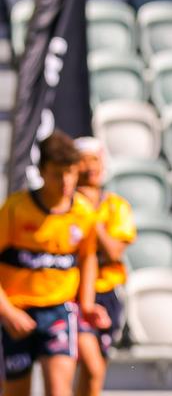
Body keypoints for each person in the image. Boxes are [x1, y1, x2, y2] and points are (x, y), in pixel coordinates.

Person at [0, 131, 110, 396]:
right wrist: (6, 312)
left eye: (71, 173)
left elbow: (88, 256)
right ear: (41, 172)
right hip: (17, 313)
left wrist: (86, 303)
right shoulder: (16, 209)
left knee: (59, 391)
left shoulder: (82, 212)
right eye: (57, 174)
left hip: (59, 312)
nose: (65, 181)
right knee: (17, 392)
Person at [71, 138, 135, 396]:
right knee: (89, 366)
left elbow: (113, 252)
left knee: (93, 372)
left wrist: (91, 217)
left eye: (94, 160)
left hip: (106, 294)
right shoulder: (65, 207)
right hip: (72, 294)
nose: (89, 168)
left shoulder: (115, 206)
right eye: (83, 161)